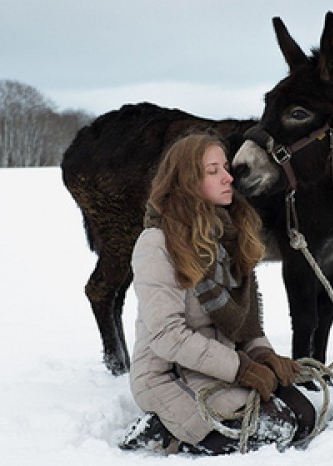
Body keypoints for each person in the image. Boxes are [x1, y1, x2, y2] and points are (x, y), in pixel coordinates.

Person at [119, 132, 316, 455]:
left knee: (303, 418)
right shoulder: (156, 244)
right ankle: (162, 427)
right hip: (168, 374)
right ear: (186, 181)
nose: (228, 177)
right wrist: (241, 368)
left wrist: (262, 355)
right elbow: (168, 336)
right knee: (271, 430)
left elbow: (245, 321)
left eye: (225, 167)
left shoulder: (232, 234)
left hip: (219, 364)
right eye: (213, 171)